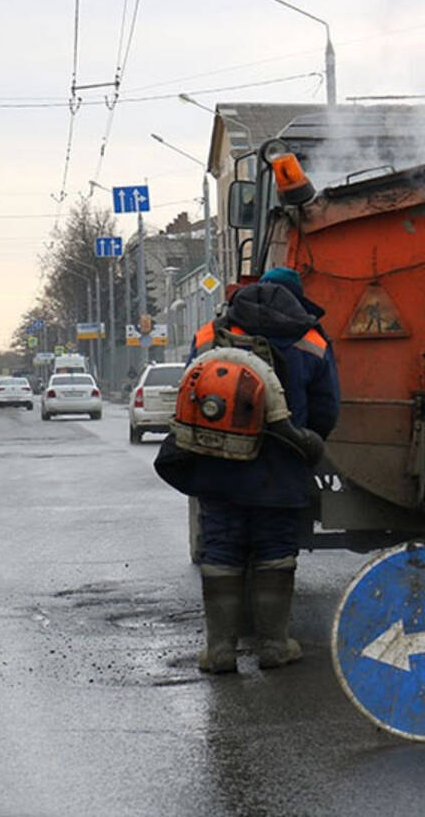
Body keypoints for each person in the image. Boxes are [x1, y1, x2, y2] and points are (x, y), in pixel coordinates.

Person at [156, 266, 340, 674]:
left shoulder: (210, 335)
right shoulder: (310, 340)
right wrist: (303, 441)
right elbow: (328, 409)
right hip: (281, 469)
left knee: (220, 550)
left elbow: (192, 391)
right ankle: (274, 647)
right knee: (275, 551)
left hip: (217, 466)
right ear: (297, 297)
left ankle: (220, 651)